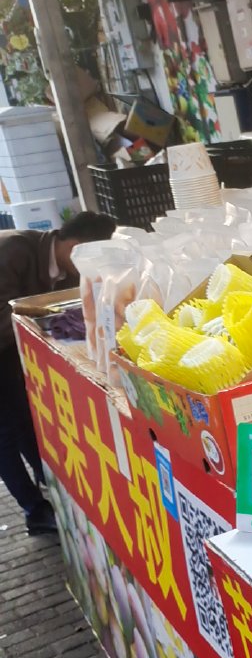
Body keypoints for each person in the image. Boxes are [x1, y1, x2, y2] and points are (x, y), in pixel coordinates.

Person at [0, 210, 116, 535]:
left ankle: (49, 484)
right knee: (5, 432)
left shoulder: (65, 271)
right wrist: (43, 323)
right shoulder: (13, 252)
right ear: (76, 249)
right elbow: (13, 318)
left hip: (9, 353)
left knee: (26, 416)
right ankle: (34, 510)